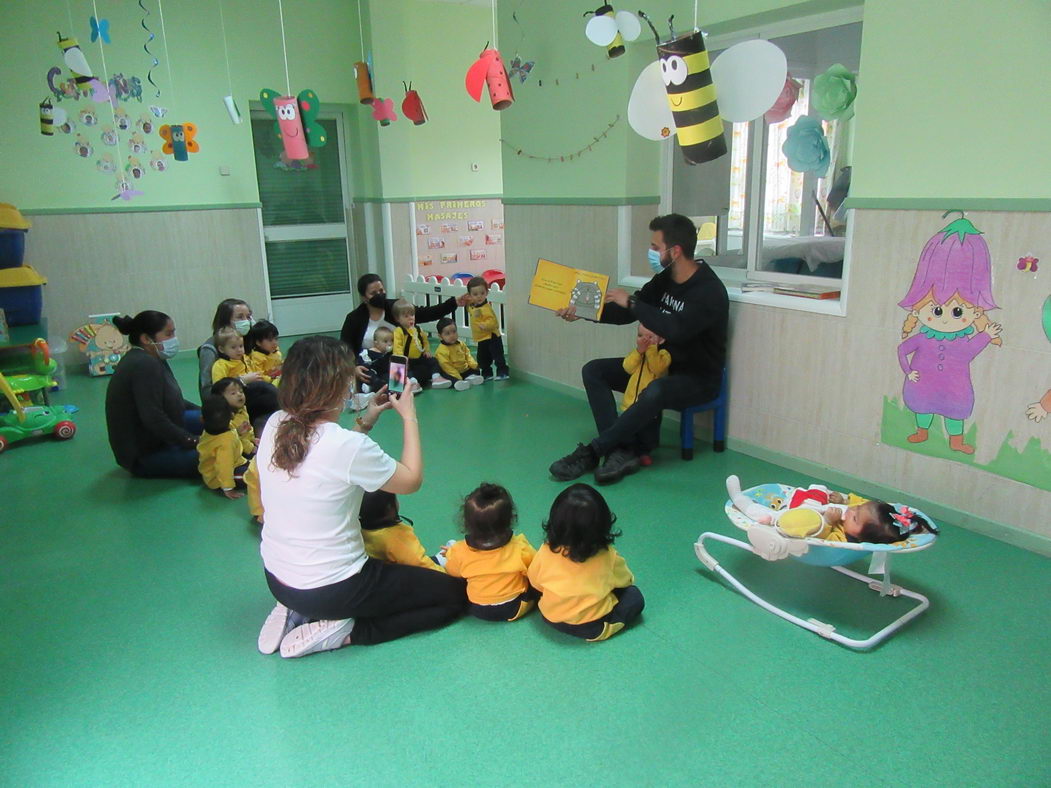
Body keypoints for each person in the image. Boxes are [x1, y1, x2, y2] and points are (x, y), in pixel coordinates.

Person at [255, 335, 467, 658]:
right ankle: (348, 631)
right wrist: (409, 416)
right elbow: (411, 480)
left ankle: (296, 609)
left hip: (277, 578)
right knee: (454, 596)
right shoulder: (344, 446)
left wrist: (366, 420)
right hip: (334, 588)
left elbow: (324, 464)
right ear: (339, 388)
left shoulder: (276, 423)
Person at [549, 214, 728, 485]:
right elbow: (625, 314)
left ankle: (594, 451)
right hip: (657, 366)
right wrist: (584, 312)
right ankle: (623, 450)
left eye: (656, 247)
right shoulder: (665, 279)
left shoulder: (710, 291)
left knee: (654, 390)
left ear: (675, 251)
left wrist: (631, 302)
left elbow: (675, 328)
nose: (652, 252)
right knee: (594, 371)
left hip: (697, 378)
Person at [527, 484, 644, 642]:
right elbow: (626, 581)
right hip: (592, 627)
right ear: (603, 525)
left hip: (550, 617)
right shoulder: (607, 556)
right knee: (634, 596)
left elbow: (535, 581)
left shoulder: (546, 550)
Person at [105, 310, 203, 478]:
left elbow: (174, 399)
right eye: (169, 333)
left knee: (220, 424)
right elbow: (153, 418)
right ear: (146, 339)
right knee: (215, 456)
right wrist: (192, 440)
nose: (174, 338)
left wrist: (207, 413)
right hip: (144, 454)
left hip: (160, 434)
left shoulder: (152, 357)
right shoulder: (143, 364)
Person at [725, 475, 938, 543]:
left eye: (855, 519)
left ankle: (739, 498)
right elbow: (857, 503)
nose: (851, 514)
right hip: (804, 506)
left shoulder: (846, 539)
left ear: (861, 536)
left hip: (787, 519)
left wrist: (827, 522)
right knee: (820, 491)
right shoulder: (856, 513)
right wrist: (844, 500)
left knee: (761, 513)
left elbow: (825, 540)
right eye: (857, 510)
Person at [339, 273, 467, 377]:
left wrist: (453, 303)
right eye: (373, 293)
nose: (379, 295)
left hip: (403, 361)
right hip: (372, 363)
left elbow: (427, 313)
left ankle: (406, 382)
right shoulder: (354, 319)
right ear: (364, 297)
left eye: (381, 290)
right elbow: (345, 349)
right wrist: (354, 368)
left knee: (429, 366)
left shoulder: (396, 308)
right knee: (377, 377)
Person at [443, 483, 539, 622]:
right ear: (510, 519)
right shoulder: (519, 547)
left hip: (477, 608)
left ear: (466, 522)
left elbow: (452, 571)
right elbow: (535, 570)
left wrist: (450, 553)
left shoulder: (460, 550)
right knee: (534, 587)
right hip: (513, 607)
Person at [198, 298, 279, 430]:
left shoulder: (247, 339)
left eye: (248, 316)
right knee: (266, 390)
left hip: (251, 392)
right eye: (240, 317)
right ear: (225, 321)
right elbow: (208, 391)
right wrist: (241, 381)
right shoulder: (210, 349)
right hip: (232, 399)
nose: (247, 321)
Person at [359, 490, 446, 573]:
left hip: (385, 570)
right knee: (453, 547)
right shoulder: (395, 536)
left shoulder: (359, 528)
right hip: (410, 574)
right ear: (390, 508)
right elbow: (420, 563)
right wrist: (446, 575)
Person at [622, 325, 671, 463]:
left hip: (650, 405)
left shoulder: (663, 355)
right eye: (640, 336)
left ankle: (645, 451)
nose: (644, 340)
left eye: (649, 337)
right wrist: (639, 352)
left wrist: (650, 350)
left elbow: (657, 369)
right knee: (630, 429)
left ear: (660, 340)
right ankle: (630, 451)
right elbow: (627, 367)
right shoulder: (638, 354)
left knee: (648, 431)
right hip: (631, 402)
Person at [391, 299, 452, 390]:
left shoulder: (418, 329)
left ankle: (436, 377)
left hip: (419, 357)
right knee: (405, 368)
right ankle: (412, 383)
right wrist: (401, 358)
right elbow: (397, 346)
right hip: (408, 359)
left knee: (433, 360)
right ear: (398, 319)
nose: (410, 318)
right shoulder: (399, 331)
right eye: (406, 316)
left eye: (412, 315)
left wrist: (426, 350)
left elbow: (425, 341)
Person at [197, 395, 249, 499]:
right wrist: (228, 488)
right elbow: (224, 467)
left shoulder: (210, 429)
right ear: (232, 415)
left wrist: (237, 432)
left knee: (256, 464)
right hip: (218, 477)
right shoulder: (225, 443)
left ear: (202, 419)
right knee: (255, 475)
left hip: (233, 463)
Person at [466, 276, 509, 381]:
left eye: (482, 293)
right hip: (481, 338)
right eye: (475, 294)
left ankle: (502, 372)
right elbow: (471, 312)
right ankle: (486, 373)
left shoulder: (486, 308)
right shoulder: (473, 306)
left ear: (486, 293)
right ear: (470, 295)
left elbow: (493, 322)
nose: (479, 297)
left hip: (492, 336)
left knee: (498, 356)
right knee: (483, 358)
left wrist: (486, 325)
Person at [434, 317, 485, 391]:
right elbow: (446, 366)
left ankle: (470, 377)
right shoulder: (441, 351)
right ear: (440, 336)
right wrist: (457, 376)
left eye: (454, 332)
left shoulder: (461, 344)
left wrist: (473, 364)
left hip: (464, 369)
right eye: (447, 334)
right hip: (452, 372)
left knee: (475, 370)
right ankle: (458, 382)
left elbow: (468, 355)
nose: (452, 335)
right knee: (447, 376)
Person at [212, 377, 256, 456]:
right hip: (238, 452)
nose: (239, 394)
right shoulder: (226, 420)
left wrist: (253, 439)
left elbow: (248, 431)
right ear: (221, 399)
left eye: (241, 391)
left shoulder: (242, 410)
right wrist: (252, 448)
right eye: (233, 393)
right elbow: (237, 439)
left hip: (248, 444)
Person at [245, 319, 283, 384]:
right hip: (267, 382)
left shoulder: (275, 351)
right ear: (258, 342)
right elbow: (258, 375)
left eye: (276, 339)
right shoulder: (257, 357)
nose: (275, 343)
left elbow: (279, 364)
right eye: (270, 340)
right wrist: (271, 379)